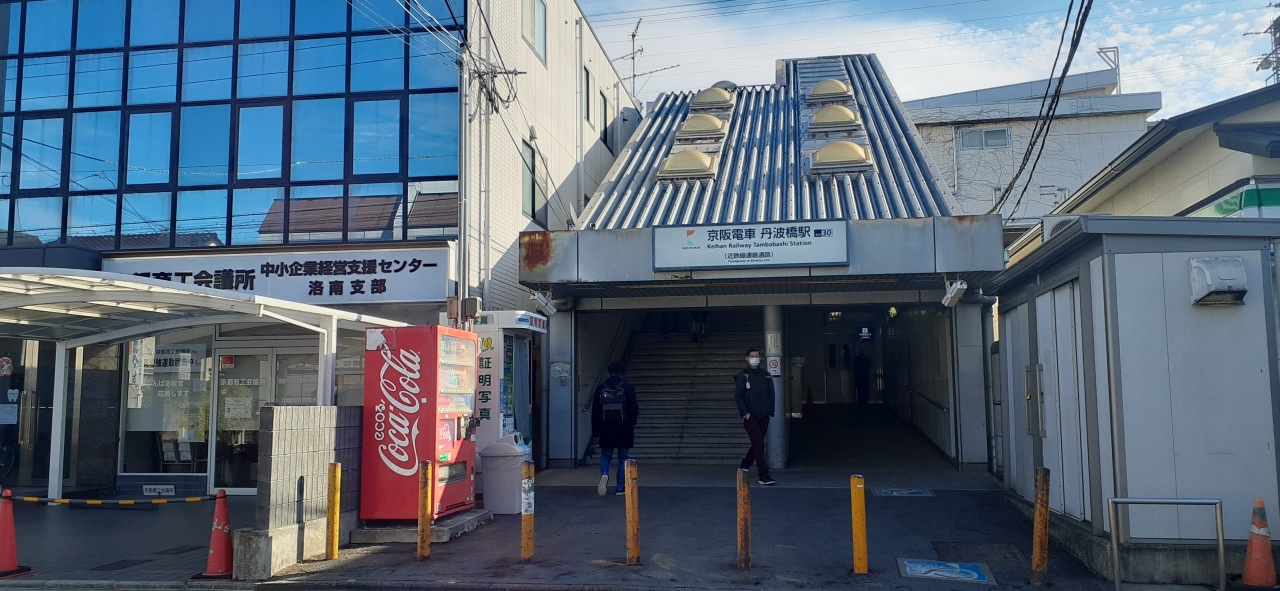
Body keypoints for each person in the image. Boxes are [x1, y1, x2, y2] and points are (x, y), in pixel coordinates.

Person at [591, 361, 639, 496]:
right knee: (623, 456)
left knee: (606, 455)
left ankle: (605, 474)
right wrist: (632, 422)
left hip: (605, 427)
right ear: (622, 373)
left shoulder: (601, 388)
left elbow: (595, 412)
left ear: (609, 373)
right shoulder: (628, 387)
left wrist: (595, 431)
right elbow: (634, 409)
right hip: (624, 427)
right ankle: (620, 488)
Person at [734, 348, 776, 485]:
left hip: (764, 415)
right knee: (759, 443)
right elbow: (739, 396)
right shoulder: (743, 376)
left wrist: (770, 411)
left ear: (760, 358)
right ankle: (763, 475)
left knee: (757, 444)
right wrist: (745, 414)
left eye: (756, 356)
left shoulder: (766, 375)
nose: (754, 358)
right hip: (750, 416)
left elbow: (771, 394)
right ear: (747, 359)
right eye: (752, 356)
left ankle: (744, 465)